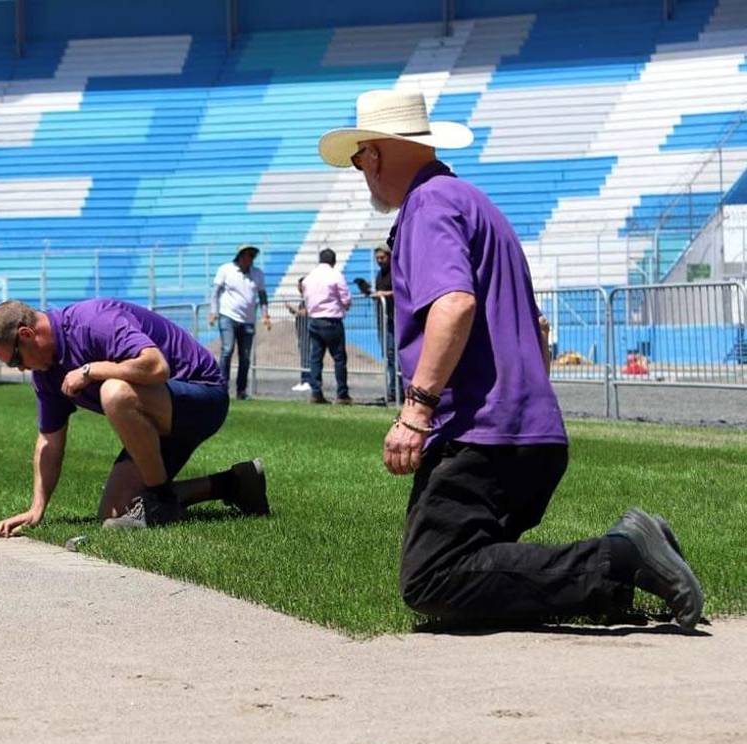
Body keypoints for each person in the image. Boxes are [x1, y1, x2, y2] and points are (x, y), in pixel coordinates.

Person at [318, 89, 703, 629]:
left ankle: (623, 558)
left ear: (376, 155)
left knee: (433, 577)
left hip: (481, 433)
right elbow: (536, 326)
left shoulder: (427, 205)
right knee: (473, 579)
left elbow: (454, 304)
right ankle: (620, 579)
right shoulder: (474, 202)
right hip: (526, 430)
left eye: (359, 158)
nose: (361, 171)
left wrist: (417, 411)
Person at [0, 298, 270, 533]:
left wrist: (90, 370)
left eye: (16, 360)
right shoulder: (45, 373)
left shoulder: (94, 321)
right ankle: (236, 483)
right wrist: (37, 508)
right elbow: (49, 440)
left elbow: (156, 367)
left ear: (26, 335)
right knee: (114, 513)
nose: (20, 369)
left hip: (202, 397)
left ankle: (160, 503)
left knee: (115, 392)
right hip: (157, 416)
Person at [208, 244, 270, 400]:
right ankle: (222, 386)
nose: (251, 259)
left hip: (248, 320)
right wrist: (213, 312)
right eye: (249, 255)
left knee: (245, 356)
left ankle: (241, 390)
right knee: (227, 350)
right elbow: (215, 292)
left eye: (253, 256)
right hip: (228, 316)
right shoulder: (226, 270)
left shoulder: (257, 274)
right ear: (241, 256)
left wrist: (265, 315)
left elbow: (262, 296)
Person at [301, 248, 353, 405]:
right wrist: (344, 305)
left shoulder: (309, 277)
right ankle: (342, 394)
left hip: (314, 319)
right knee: (339, 358)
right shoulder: (335, 275)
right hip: (332, 320)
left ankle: (316, 392)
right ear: (334, 261)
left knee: (316, 358)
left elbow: (305, 294)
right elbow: (346, 298)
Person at [371, 242, 397, 403]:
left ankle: (399, 388)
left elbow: (402, 290)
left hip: (397, 318)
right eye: (377, 258)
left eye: (382, 257)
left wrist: (384, 294)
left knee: (396, 355)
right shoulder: (380, 274)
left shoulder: (396, 272)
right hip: (385, 318)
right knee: (389, 355)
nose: (379, 260)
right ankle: (393, 389)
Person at [285, 277, 311, 393]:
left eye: (300, 285)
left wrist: (294, 310)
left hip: (307, 331)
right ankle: (304, 379)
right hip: (301, 331)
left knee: (307, 356)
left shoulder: (309, 298)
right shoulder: (303, 299)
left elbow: (307, 312)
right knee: (304, 355)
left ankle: (307, 380)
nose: (298, 287)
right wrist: (293, 311)